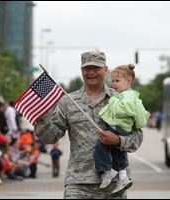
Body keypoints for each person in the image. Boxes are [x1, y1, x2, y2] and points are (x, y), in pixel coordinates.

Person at [35, 51, 143, 199]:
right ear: (81, 71)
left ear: (105, 70)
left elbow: (137, 138)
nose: (91, 72)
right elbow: (50, 138)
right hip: (78, 184)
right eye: (87, 68)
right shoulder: (68, 102)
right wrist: (42, 118)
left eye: (96, 68)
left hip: (114, 185)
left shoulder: (121, 99)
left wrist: (118, 140)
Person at [95, 64, 150, 195]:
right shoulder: (129, 96)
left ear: (129, 81)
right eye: (113, 81)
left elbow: (122, 110)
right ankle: (123, 177)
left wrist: (113, 100)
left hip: (119, 128)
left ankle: (106, 172)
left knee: (101, 145)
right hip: (121, 128)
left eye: (117, 81)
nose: (114, 84)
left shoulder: (127, 96)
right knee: (117, 152)